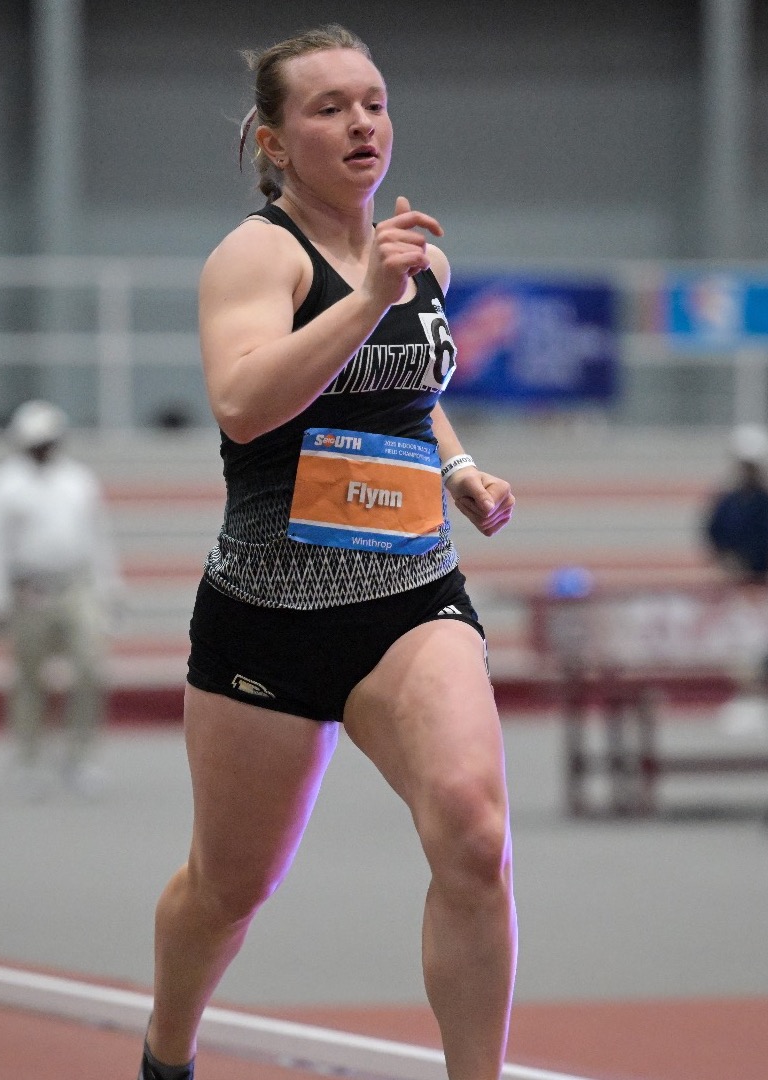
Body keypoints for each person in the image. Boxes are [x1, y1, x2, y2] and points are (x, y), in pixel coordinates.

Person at [142, 27, 517, 1080]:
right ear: (274, 141)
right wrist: (364, 300)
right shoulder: (255, 257)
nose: (361, 124)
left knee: (473, 834)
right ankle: (165, 1056)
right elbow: (245, 404)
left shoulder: (416, 254)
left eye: (374, 101)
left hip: (409, 598)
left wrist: (457, 473)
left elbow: (406, 401)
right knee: (229, 888)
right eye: (329, 108)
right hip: (266, 616)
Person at [0, 400, 121, 797]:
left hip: (76, 587)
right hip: (29, 591)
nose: (44, 448)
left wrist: (109, 588)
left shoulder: (79, 480)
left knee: (90, 669)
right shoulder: (3, 484)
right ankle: (28, 758)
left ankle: (80, 756)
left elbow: (98, 538)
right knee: (29, 676)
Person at [703, 424, 768, 586]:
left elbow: (766, 539)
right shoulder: (728, 498)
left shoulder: (764, 499)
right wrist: (725, 555)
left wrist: (750, 563)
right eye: (745, 467)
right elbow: (714, 528)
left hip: (756, 575)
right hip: (731, 571)